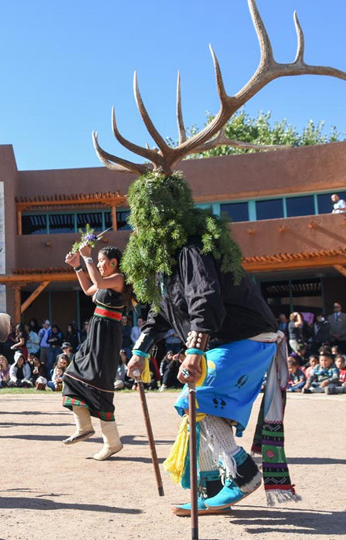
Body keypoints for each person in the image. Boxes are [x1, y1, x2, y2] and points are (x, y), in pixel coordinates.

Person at [124, 171, 293, 516]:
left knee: (196, 400)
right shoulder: (168, 261)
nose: (138, 230)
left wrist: (194, 350)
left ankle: (242, 474)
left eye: (144, 219)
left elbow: (205, 300)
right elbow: (160, 312)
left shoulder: (192, 248)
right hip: (224, 340)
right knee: (194, 411)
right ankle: (213, 487)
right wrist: (140, 352)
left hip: (244, 337)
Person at [62, 244, 127, 461]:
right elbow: (89, 289)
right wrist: (77, 266)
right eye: (98, 261)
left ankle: (112, 443)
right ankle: (84, 427)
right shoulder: (105, 282)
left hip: (107, 336)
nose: (99, 264)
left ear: (113, 263)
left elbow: (97, 282)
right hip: (95, 335)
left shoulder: (119, 279)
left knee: (100, 384)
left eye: (102, 261)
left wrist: (87, 258)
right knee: (71, 374)